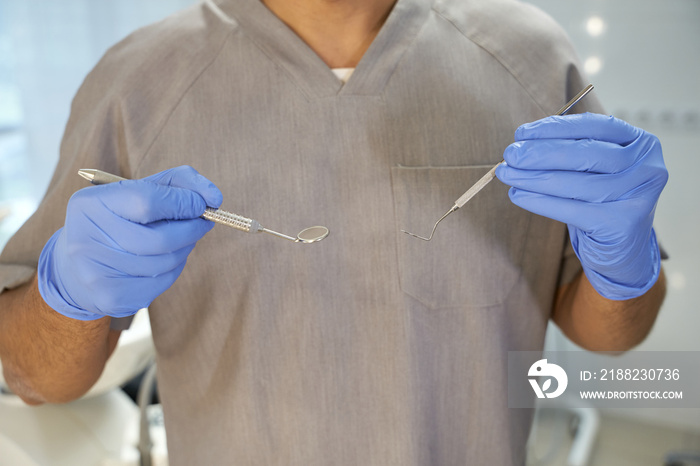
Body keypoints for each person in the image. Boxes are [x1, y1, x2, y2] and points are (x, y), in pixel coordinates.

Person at [0, 0, 667, 464]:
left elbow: (615, 333)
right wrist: (68, 295)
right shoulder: (140, 79)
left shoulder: (530, 58)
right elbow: (32, 378)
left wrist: (622, 258)